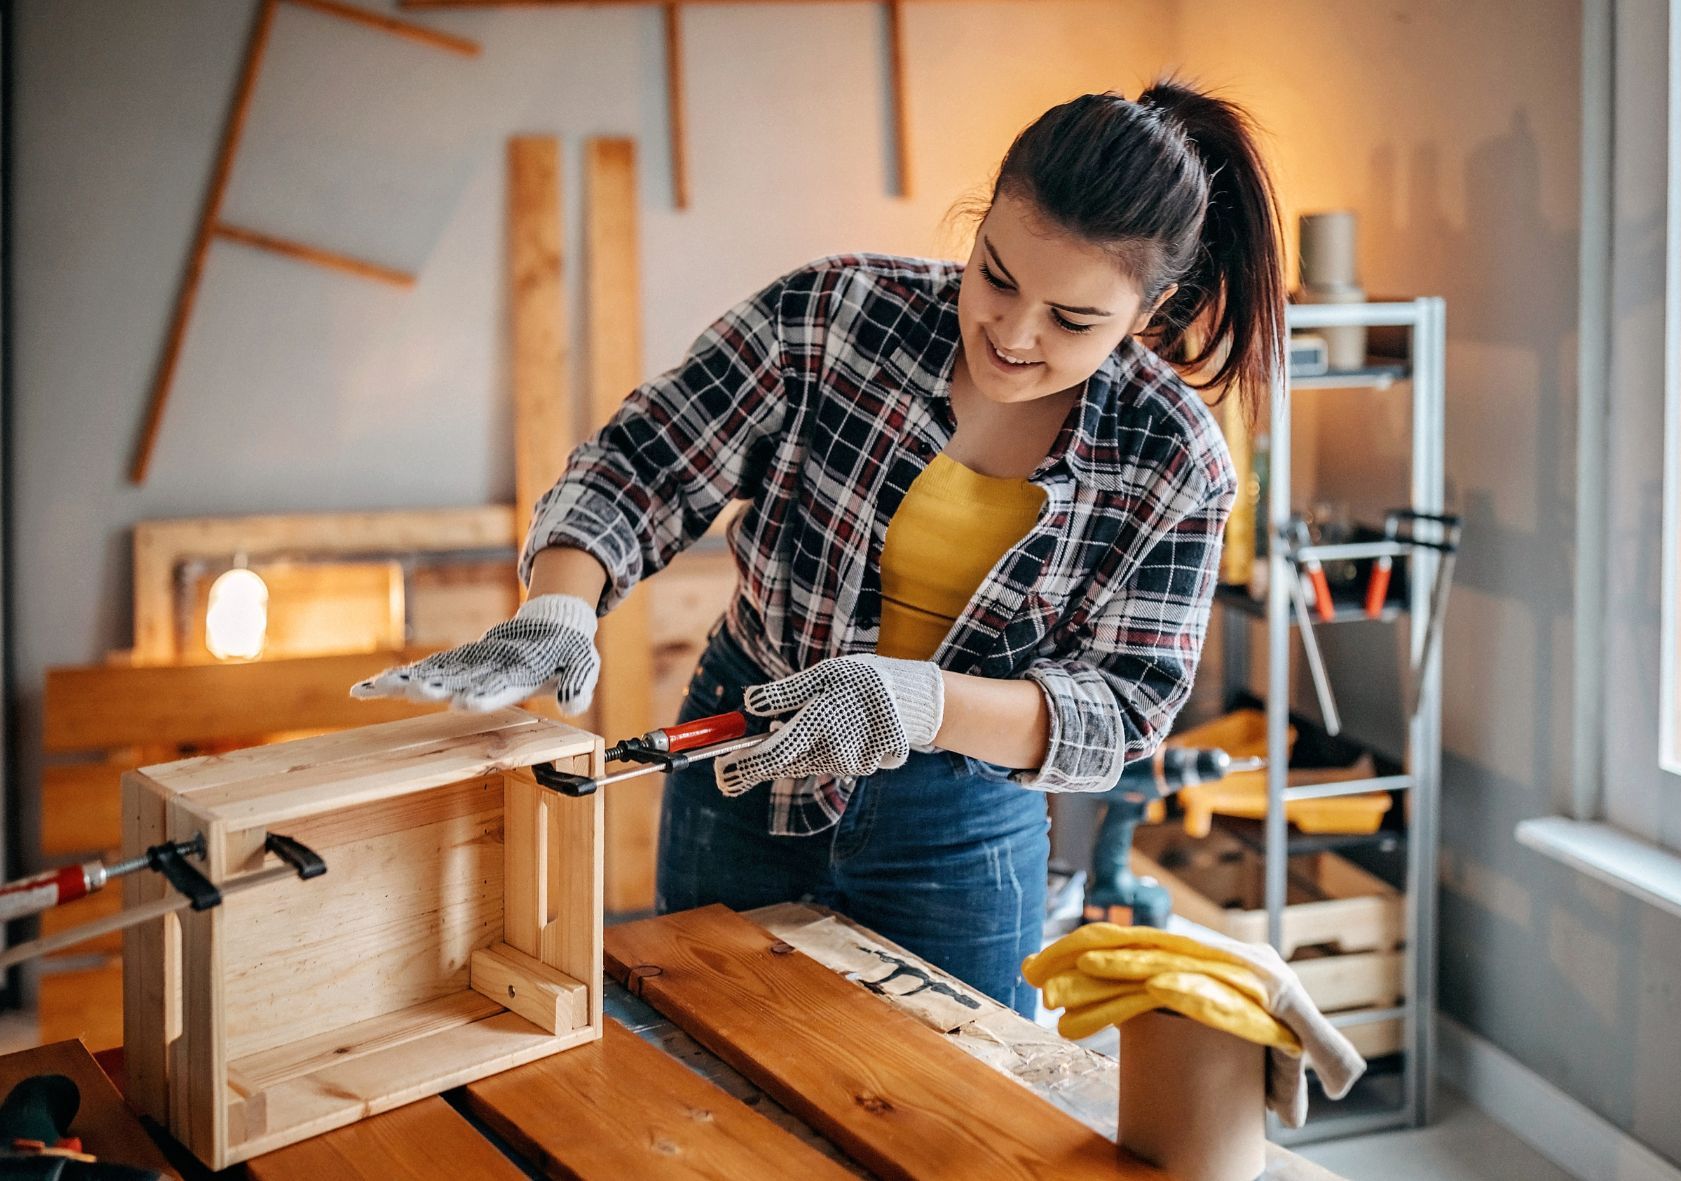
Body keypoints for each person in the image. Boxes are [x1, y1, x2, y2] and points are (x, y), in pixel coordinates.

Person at [353, 77, 1285, 1017]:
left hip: (959, 823)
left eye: (1073, 320)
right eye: (995, 275)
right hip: (745, 757)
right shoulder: (836, 314)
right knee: (714, 1074)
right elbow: (645, 462)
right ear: (980, 225)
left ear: (1149, 312)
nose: (1012, 331)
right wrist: (559, 601)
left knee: (953, 1118)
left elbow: (1123, 712)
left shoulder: (1175, 460)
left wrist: (917, 701)